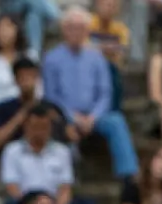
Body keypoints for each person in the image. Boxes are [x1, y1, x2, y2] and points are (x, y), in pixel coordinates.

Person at [44, 10, 138, 179]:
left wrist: (93, 117)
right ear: (63, 30)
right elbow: (52, 96)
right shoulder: (52, 59)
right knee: (52, 121)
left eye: (80, 28)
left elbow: (105, 93)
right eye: (71, 27)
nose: (75, 32)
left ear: (87, 31)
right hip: (65, 115)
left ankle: (128, 177)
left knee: (116, 122)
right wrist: (73, 117)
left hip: (95, 115)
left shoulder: (97, 58)